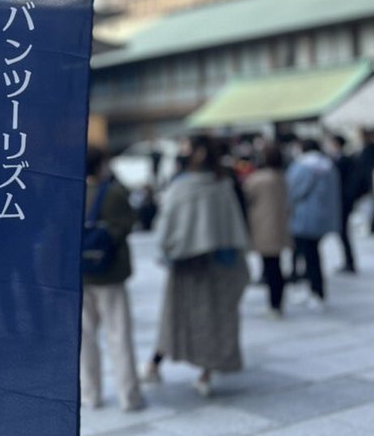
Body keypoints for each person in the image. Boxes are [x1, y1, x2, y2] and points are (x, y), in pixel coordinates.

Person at [145, 134, 250, 396]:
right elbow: (234, 226)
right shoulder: (222, 183)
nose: (182, 150)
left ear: (199, 152)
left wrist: (168, 249)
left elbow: (167, 226)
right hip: (217, 263)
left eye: (186, 147)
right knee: (213, 317)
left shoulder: (182, 186)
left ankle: (156, 364)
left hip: (187, 265)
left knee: (176, 315)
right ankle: (205, 373)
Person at [80, 147, 144, 412]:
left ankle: (90, 394)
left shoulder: (70, 192)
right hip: (111, 274)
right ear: (102, 165)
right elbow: (129, 223)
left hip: (81, 275)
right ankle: (129, 396)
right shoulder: (114, 193)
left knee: (85, 339)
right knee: (119, 335)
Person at [287, 137, 341, 310]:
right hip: (323, 218)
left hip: (304, 218)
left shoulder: (303, 167)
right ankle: (314, 290)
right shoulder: (329, 166)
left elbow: (293, 190)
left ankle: (315, 291)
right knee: (314, 255)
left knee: (308, 256)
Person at [244, 143, 289, 316]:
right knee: (275, 265)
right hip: (279, 225)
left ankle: (274, 304)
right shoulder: (282, 177)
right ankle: (277, 303)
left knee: (271, 266)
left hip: (263, 226)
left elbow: (247, 196)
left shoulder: (258, 179)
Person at [329, 134, 359, 274]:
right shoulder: (337, 159)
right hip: (341, 201)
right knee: (342, 233)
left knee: (343, 233)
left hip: (343, 202)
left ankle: (349, 262)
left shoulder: (345, 160)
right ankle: (348, 261)